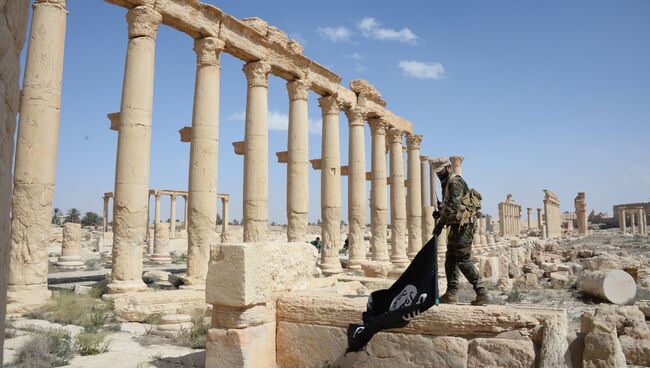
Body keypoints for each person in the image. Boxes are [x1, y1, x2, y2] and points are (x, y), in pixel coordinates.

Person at [433, 160, 489, 306]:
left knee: (463, 260)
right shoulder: (445, 182)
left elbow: (454, 208)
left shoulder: (454, 182)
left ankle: (482, 292)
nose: (439, 174)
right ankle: (451, 293)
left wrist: (440, 224)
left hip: (464, 226)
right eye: (437, 172)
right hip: (455, 225)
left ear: (449, 167)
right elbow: (449, 206)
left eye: (441, 171)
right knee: (450, 258)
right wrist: (440, 212)